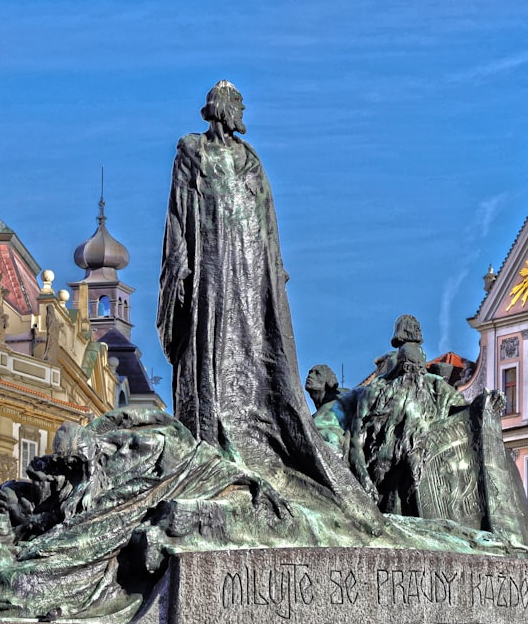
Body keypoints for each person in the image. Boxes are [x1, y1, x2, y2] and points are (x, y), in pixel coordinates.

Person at [156, 81, 381, 534]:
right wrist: (180, 265)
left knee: (256, 345)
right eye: (238, 106)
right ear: (223, 110)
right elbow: (178, 215)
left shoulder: (250, 159)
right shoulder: (192, 150)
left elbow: (267, 222)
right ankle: (212, 427)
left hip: (247, 269)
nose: (242, 113)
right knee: (209, 346)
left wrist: (273, 271)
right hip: (210, 268)